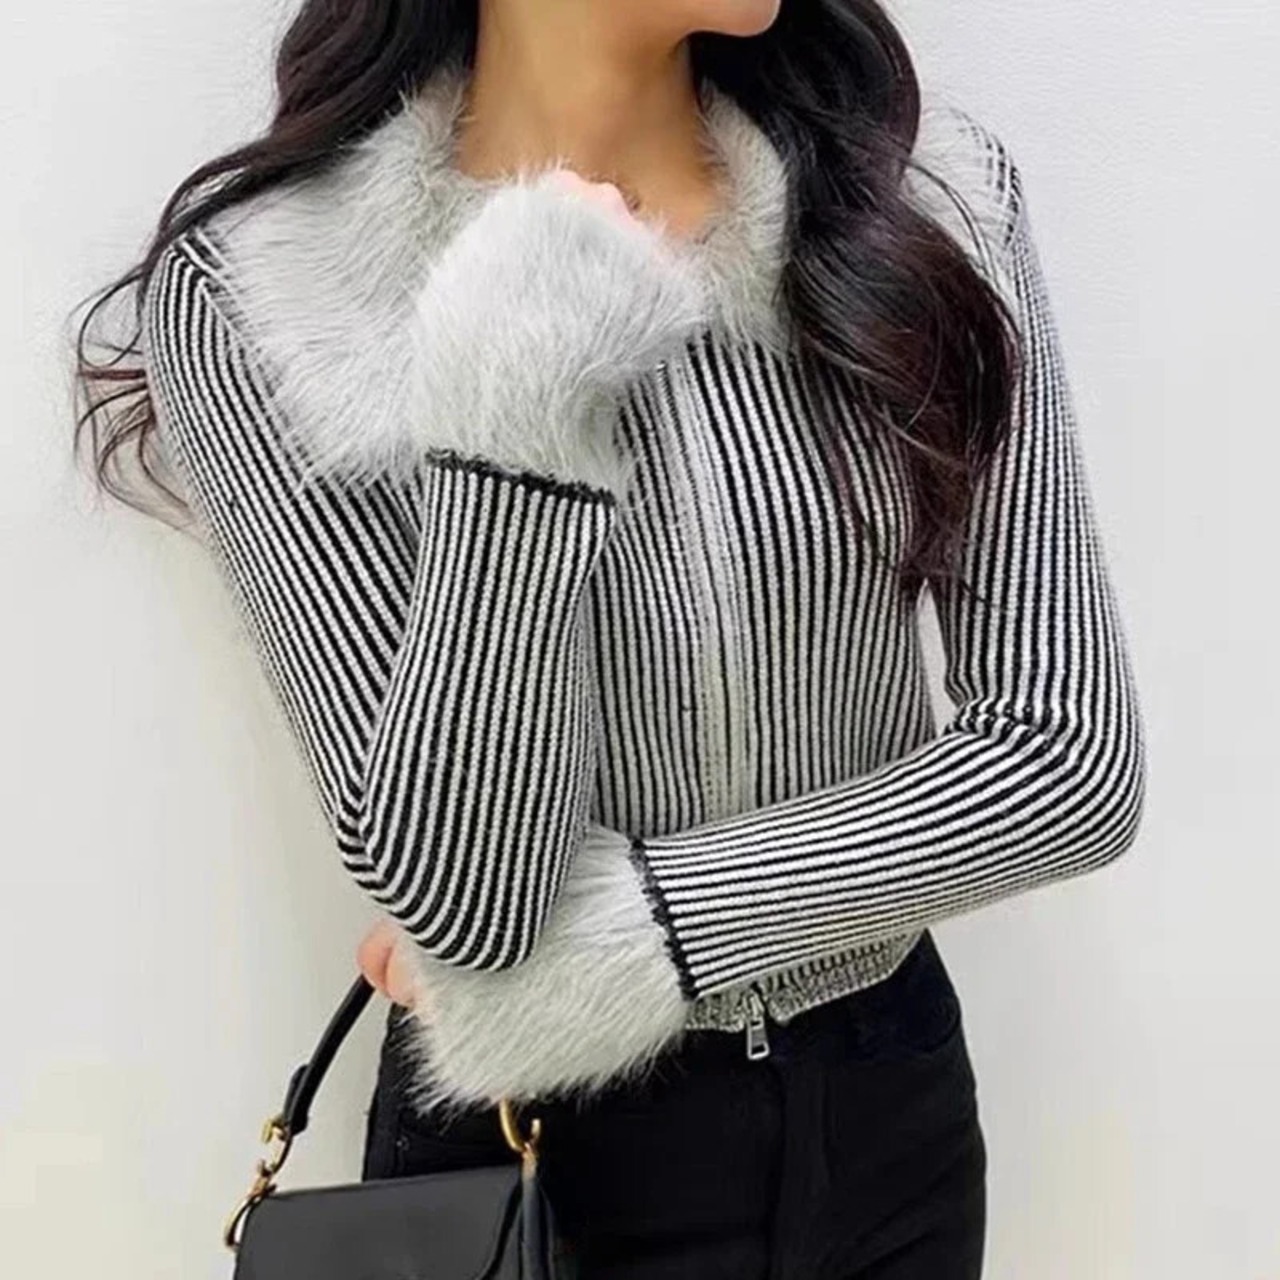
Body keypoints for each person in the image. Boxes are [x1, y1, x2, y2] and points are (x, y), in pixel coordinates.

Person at [71, 1, 1147, 1275]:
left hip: (889, 1115)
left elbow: (1065, 760)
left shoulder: (920, 204)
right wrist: (521, 408)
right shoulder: (275, 286)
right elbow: (469, 897)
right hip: (537, 1165)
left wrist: (642, 932)